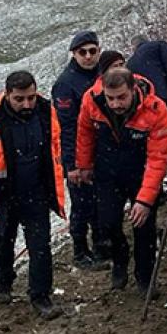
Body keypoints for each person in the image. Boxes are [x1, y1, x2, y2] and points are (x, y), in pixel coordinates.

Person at [0, 71, 65, 320]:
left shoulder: (45, 110)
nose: (26, 104)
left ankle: (40, 296)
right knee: (2, 244)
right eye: (20, 99)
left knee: (40, 247)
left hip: (36, 192)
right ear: (7, 94)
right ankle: (4, 284)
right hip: (2, 194)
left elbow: (55, 145)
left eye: (30, 97)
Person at [75, 67, 167, 295]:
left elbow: (158, 158)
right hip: (107, 171)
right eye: (111, 98)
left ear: (133, 90)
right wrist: (84, 164)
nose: (116, 104)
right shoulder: (92, 100)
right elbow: (84, 131)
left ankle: (145, 277)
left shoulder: (156, 109)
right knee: (107, 224)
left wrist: (145, 200)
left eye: (122, 98)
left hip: (141, 171)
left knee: (144, 226)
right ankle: (120, 260)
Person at [52, 31, 107, 271]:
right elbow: (66, 128)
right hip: (78, 153)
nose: (88, 56)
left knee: (101, 202)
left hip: (102, 150)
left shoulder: (102, 75)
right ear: (74, 54)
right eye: (82, 52)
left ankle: (101, 246)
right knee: (82, 205)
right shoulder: (65, 84)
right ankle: (80, 250)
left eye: (92, 51)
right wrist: (71, 164)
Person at [128, 35, 167, 180]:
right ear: (147, 40)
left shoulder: (129, 64)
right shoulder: (159, 46)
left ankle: (161, 180)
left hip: (145, 111)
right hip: (164, 101)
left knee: (159, 146)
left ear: (134, 47)